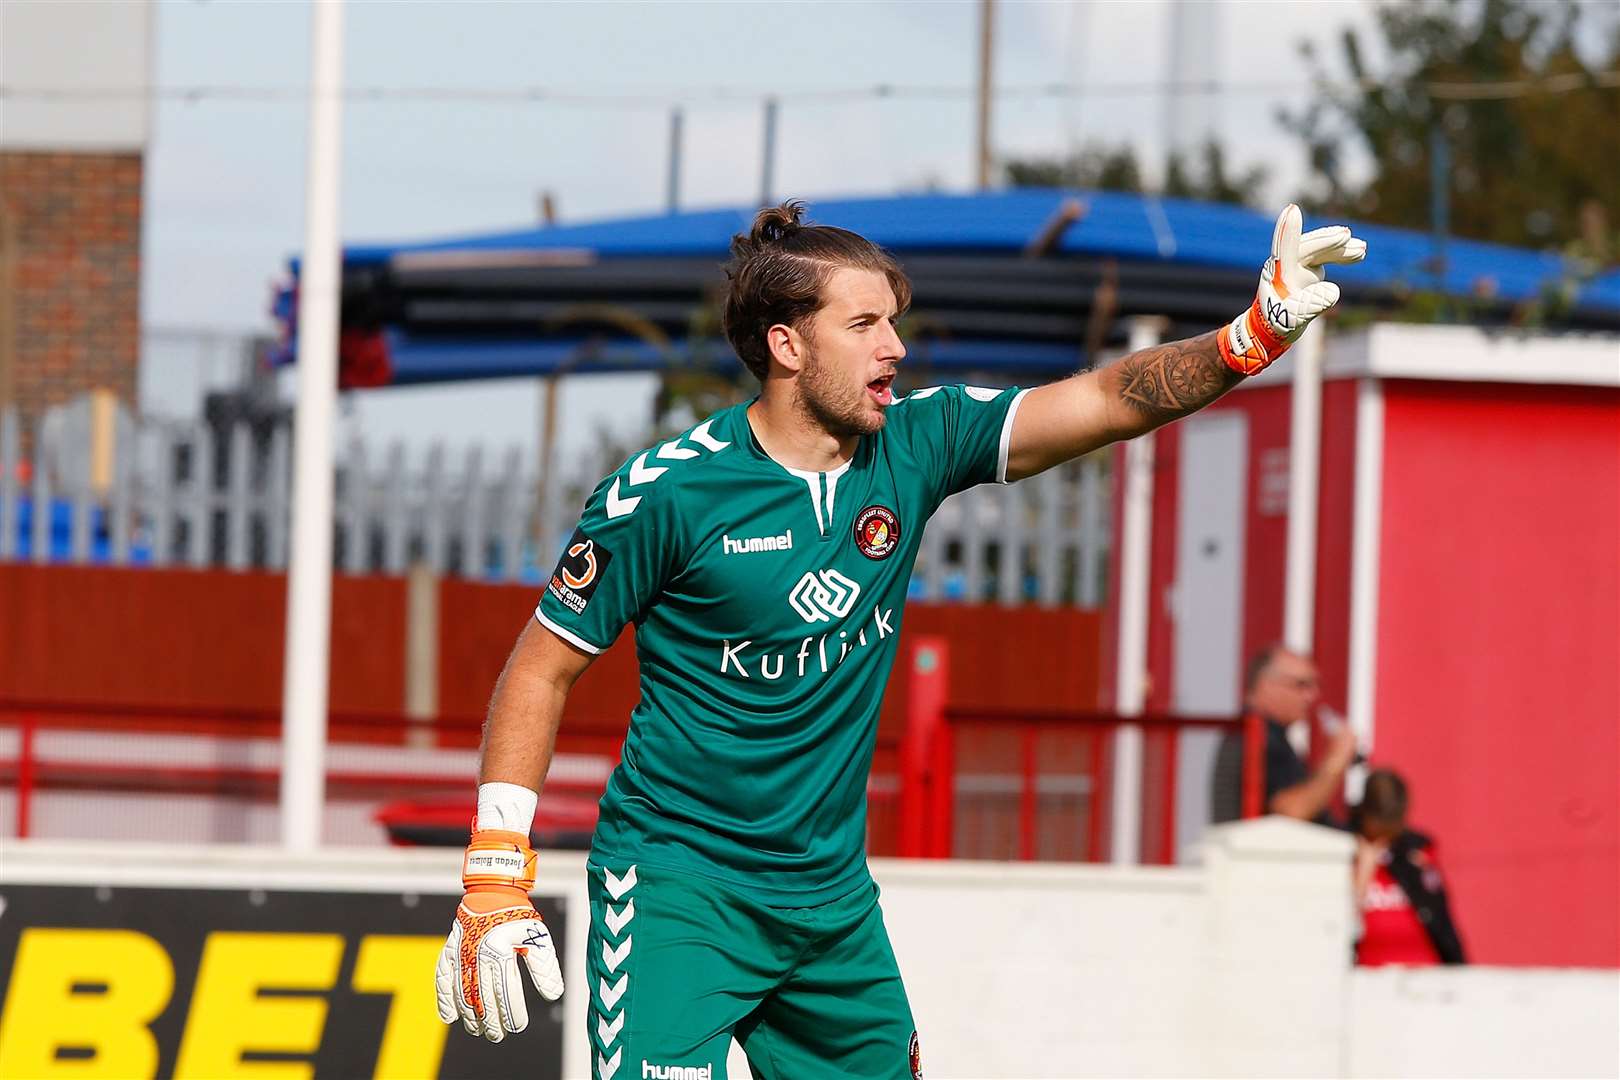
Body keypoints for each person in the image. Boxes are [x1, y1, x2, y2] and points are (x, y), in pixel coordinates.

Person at [434, 200, 1366, 1078]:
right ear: (786, 345)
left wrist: (1252, 336)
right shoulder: (667, 493)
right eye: (866, 324)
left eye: (895, 322)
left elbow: (1108, 399)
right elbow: (540, 668)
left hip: (832, 907)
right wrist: (495, 870)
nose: (896, 348)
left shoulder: (919, 446)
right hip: (682, 890)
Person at [1211, 643, 1359, 826]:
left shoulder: (1263, 734)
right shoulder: (1258, 737)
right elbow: (1292, 810)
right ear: (1266, 685)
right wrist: (1338, 756)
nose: (1311, 695)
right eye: (1301, 685)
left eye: (1314, 686)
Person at [1353, 767, 1467, 966]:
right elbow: (1337, 925)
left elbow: (1441, 924)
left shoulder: (1414, 853)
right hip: (1368, 977)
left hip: (1426, 974)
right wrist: (1363, 871)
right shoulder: (1347, 851)